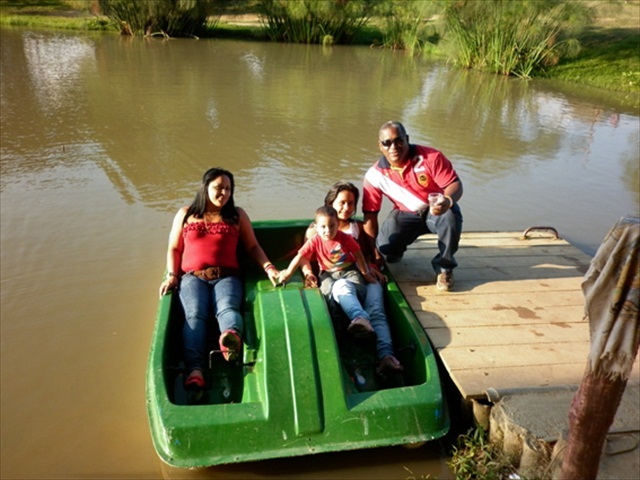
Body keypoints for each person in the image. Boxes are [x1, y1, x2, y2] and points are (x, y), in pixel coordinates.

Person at [158, 167, 280, 391]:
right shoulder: (185, 214)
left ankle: (229, 340)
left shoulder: (237, 215)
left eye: (228, 189)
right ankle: (195, 370)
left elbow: (253, 247)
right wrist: (172, 276)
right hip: (193, 278)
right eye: (218, 188)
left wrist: (269, 268)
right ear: (205, 187)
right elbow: (174, 248)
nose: (223, 193)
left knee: (227, 308)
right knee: (194, 315)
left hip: (227, 277)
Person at [304, 182, 403, 374]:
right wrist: (308, 273)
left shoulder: (357, 227)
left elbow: (366, 254)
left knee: (377, 310)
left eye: (351, 203)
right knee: (341, 288)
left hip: (362, 277)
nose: (346, 208)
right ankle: (344, 351)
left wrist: (371, 267)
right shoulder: (318, 229)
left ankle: (386, 355)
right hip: (337, 282)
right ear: (330, 203)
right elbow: (306, 257)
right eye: (341, 203)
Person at [363, 121, 463, 292]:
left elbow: (454, 184)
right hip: (405, 214)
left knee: (451, 216)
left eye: (398, 140)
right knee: (385, 248)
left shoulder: (431, 157)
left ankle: (444, 268)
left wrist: (447, 200)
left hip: (435, 211)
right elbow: (370, 215)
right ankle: (396, 251)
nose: (393, 147)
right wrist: (373, 252)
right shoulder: (374, 176)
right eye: (387, 143)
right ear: (380, 146)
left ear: (407, 139)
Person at [278, 205, 378, 340]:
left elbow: (358, 255)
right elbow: (300, 256)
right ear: (316, 227)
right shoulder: (315, 240)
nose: (328, 230)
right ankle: (338, 328)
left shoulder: (346, 238)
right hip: (327, 273)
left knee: (357, 290)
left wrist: (365, 273)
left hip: (349, 271)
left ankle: (360, 320)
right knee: (327, 294)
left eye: (332, 226)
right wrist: (288, 273)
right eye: (323, 227)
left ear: (338, 224)